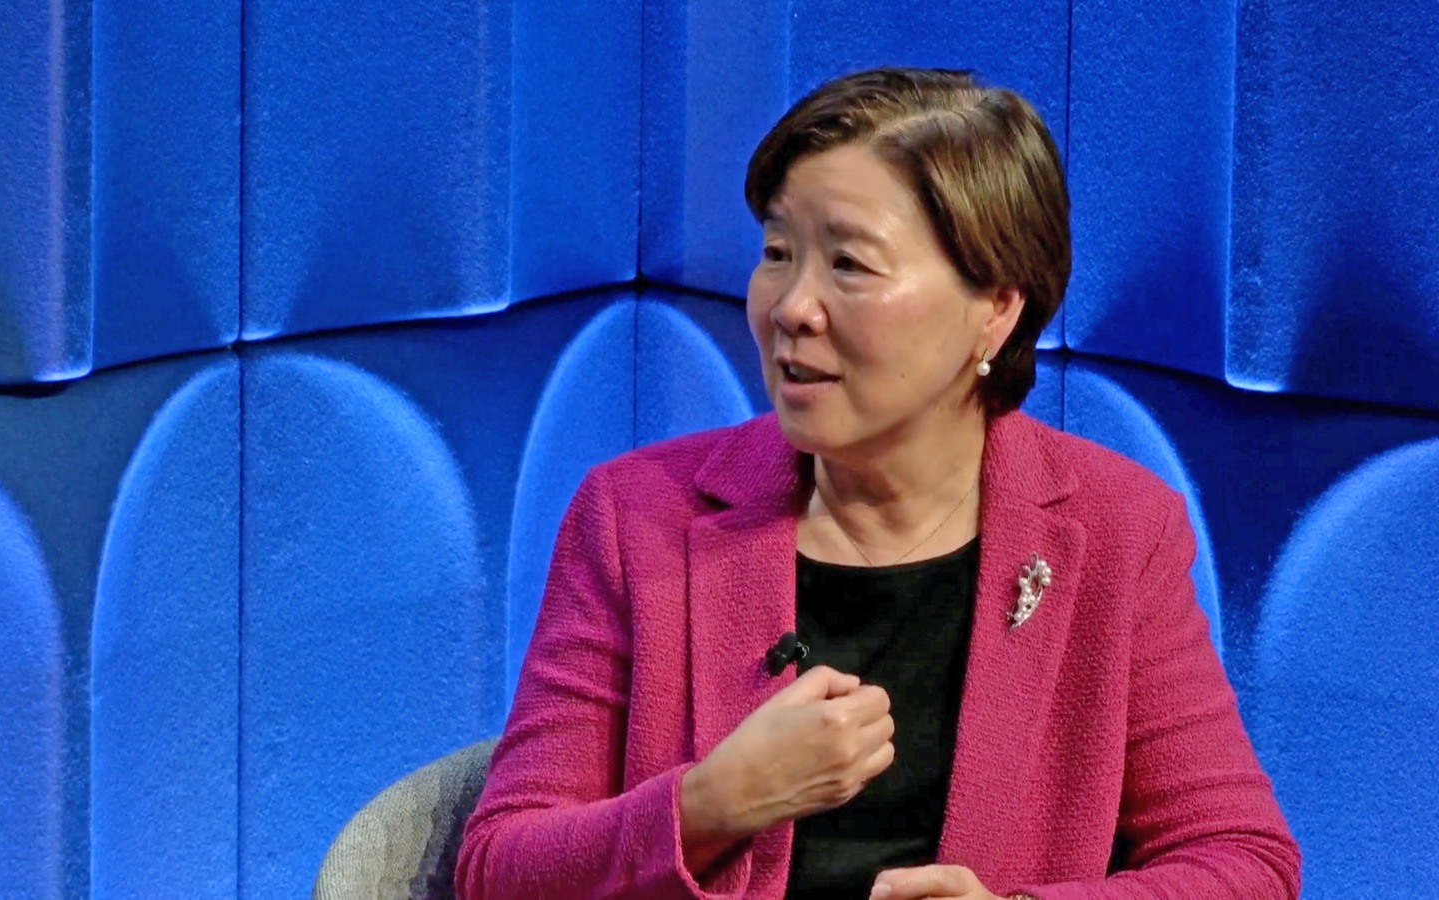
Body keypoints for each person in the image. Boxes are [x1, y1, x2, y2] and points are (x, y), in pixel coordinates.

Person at [455, 67, 1301, 899]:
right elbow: (499, 868)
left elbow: (1244, 864)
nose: (792, 307)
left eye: (850, 264)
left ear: (996, 308)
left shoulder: (1118, 528)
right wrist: (712, 804)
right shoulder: (635, 516)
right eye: (779, 253)